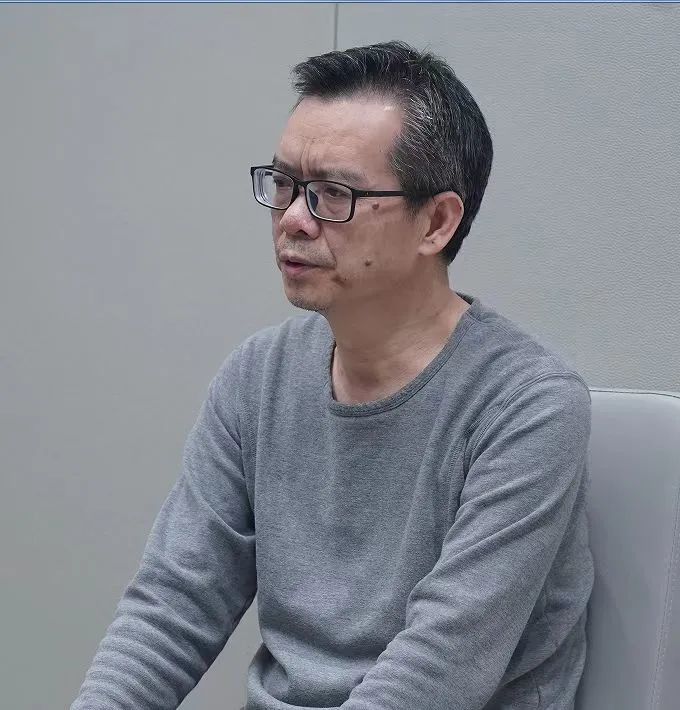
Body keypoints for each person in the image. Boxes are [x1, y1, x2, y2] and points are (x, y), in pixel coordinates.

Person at [71, 41, 594, 710]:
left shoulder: (527, 407)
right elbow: (173, 605)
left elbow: (438, 670)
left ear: (436, 222)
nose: (293, 219)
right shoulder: (257, 378)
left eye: (332, 195)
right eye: (284, 184)